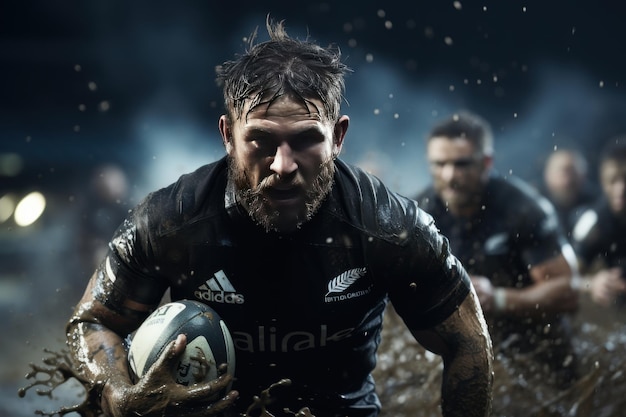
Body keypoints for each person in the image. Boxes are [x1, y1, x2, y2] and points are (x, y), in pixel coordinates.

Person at [64, 19, 493, 417]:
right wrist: (121, 397)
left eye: (306, 139)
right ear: (228, 136)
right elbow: (93, 322)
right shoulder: (169, 222)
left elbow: (469, 343)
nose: (283, 165)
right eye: (262, 140)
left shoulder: (391, 227)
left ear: (338, 137)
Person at [413, 111, 579, 389]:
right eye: (439, 164)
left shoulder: (522, 210)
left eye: (462, 164)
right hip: (459, 352)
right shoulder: (418, 213)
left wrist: (497, 299)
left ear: (486, 163)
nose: (449, 175)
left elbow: (568, 292)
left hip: (535, 351)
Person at [571, 137, 626, 307]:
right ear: (602, 181)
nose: (621, 189)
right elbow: (567, 276)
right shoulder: (592, 222)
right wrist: (592, 284)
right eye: (613, 180)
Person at [541, 148, 597, 239]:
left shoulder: (597, 203)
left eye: (572, 172)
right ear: (547, 175)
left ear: (583, 174)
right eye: (561, 172)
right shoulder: (536, 207)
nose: (567, 181)